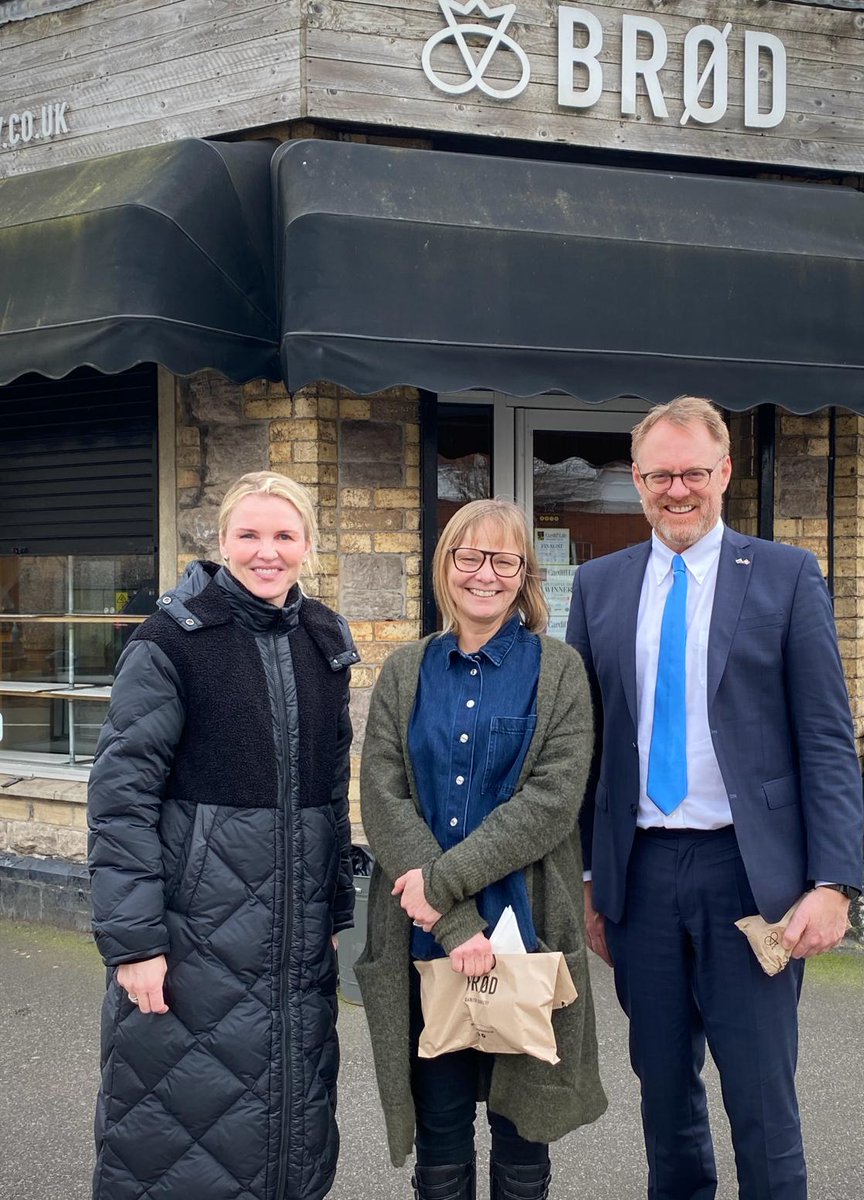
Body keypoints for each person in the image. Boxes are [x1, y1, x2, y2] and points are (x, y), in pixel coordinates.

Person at [566, 396, 863, 1200]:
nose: (675, 491)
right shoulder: (597, 587)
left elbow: (827, 739)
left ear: (722, 472)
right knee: (664, 1100)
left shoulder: (784, 575)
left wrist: (833, 883)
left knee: (762, 1102)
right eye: (658, 475)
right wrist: (590, 883)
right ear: (636, 479)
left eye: (692, 473)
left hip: (750, 875)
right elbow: (583, 751)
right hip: (642, 880)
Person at [87, 470, 359, 1200]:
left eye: (283, 535)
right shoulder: (170, 640)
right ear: (221, 540)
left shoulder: (325, 637)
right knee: (175, 1135)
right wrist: (134, 941)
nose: (265, 552)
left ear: (307, 543)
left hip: (294, 938)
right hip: (191, 935)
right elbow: (122, 796)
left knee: (289, 1131)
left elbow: (330, 791)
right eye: (249, 534)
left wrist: (334, 910)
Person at [356, 498, 607, 1200]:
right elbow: (383, 797)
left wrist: (442, 890)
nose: (485, 574)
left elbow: (551, 803)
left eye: (503, 559)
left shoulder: (558, 671)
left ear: (523, 573)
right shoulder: (406, 670)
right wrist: (451, 922)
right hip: (425, 940)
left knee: (522, 1133)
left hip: (526, 931)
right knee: (438, 1133)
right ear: (446, 567)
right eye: (469, 556)